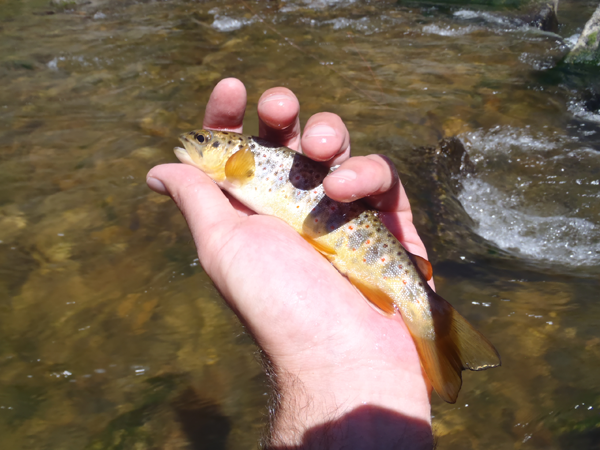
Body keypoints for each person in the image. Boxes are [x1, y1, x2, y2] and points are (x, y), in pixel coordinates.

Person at [147, 78, 434, 449]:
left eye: (204, 140)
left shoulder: (243, 162)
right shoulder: (232, 185)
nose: (194, 141)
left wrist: (372, 373)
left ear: (231, 152)